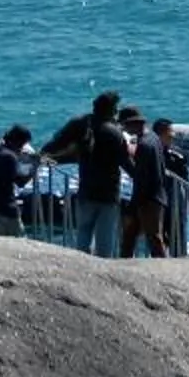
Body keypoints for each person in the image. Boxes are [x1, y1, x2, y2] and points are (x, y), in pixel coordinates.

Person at [71, 92, 127, 257]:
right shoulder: (115, 133)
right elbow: (125, 161)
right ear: (111, 110)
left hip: (86, 189)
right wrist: (141, 176)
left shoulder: (84, 130)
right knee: (105, 239)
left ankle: (80, 264)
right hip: (108, 193)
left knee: (83, 233)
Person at [122, 114, 183, 258]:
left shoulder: (144, 145)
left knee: (154, 237)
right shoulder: (154, 139)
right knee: (131, 234)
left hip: (148, 199)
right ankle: (125, 259)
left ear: (135, 125)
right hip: (155, 195)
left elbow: (142, 177)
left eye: (127, 125)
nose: (125, 129)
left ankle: (162, 266)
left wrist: (134, 204)